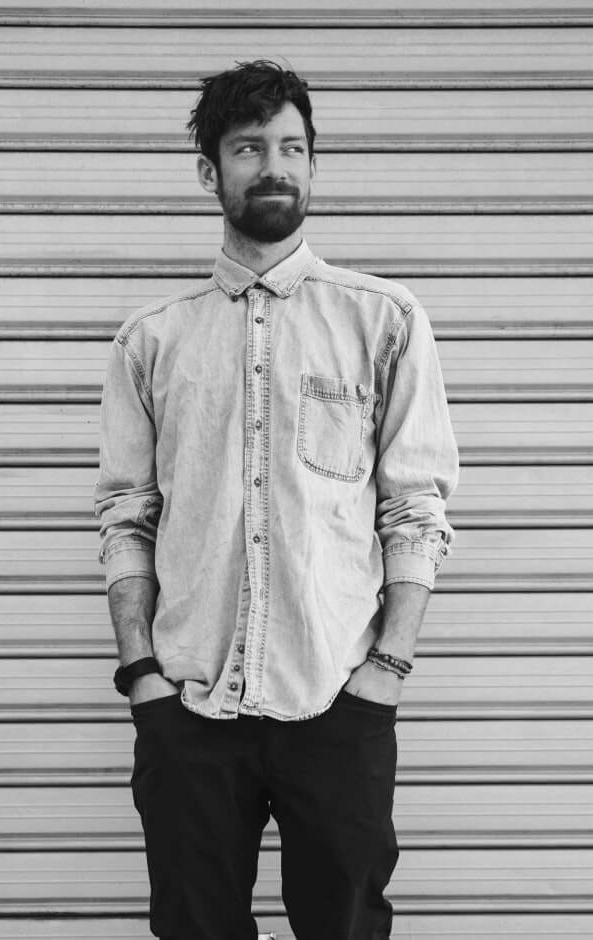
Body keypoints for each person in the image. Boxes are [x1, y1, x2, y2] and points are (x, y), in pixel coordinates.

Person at [94, 59, 459, 940]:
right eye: (250, 148)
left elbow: (415, 509)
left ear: (314, 165)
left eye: (293, 148)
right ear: (209, 170)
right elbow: (127, 516)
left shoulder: (384, 320)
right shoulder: (152, 341)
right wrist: (143, 676)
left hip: (337, 698)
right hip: (190, 707)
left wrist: (386, 671)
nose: (275, 167)